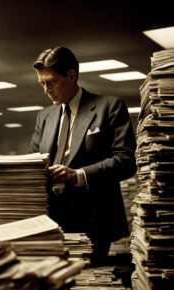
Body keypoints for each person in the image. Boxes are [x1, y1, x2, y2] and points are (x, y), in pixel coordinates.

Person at [30, 46, 137, 265]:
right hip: (49, 221)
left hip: (94, 219)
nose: (46, 90)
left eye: (51, 82)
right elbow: (32, 160)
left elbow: (126, 161)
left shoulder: (110, 106)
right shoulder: (44, 116)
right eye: (42, 83)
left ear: (71, 75)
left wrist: (77, 175)